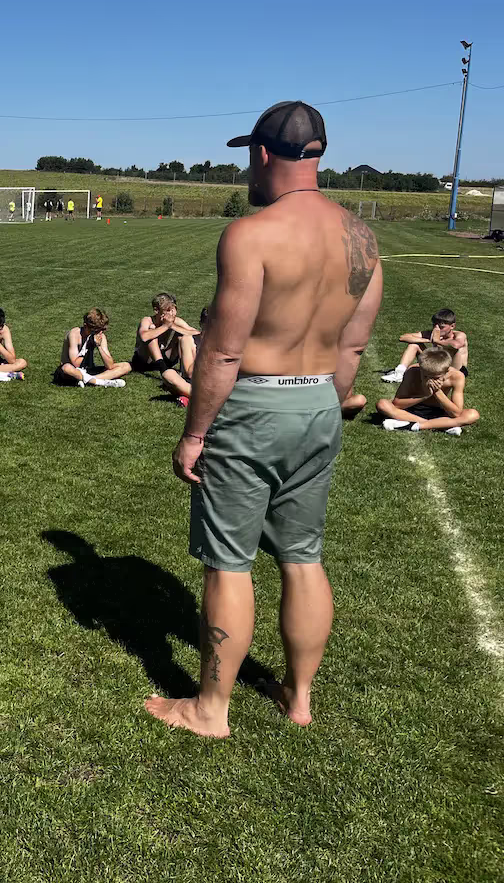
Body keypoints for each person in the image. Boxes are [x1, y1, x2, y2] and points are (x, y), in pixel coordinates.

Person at [146, 100, 384, 739]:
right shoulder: (362, 239)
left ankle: (210, 709)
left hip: (255, 402)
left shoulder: (250, 234)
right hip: (320, 401)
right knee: (303, 555)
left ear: (261, 153)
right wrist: (324, 406)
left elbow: (222, 349)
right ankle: (298, 697)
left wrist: (194, 433)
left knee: (229, 561)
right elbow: (354, 346)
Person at [376, 346, 479, 435]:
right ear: (420, 368)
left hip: (439, 411)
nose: (430, 380)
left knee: (472, 414)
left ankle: (413, 425)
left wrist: (437, 392)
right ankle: (442, 425)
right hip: (412, 409)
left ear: (446, 371)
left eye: (435, 378)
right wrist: (424, 396)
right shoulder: (412, 371)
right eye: (425, 376)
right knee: (382, 404)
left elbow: (456, 413)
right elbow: (397, 403)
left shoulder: (457, 376)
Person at [133, 292, 200, 404]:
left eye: (173, 310)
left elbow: (196, 333)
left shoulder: (174, 320)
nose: (172, 313)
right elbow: (144, 337)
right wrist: (166, 326)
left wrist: (173, 326)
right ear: (156, 310)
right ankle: (163, 370)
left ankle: (183, 375)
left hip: (164, 356)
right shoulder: (147, 320)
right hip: (144, 360)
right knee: (152, 330)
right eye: (168, 310)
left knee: (181, 336)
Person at [381, 308, 469, 383]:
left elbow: (456, 345)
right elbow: (403, 337)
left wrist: (437, 341)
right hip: (438, 364)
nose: (436, 329)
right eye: (435, 325)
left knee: (453, 349)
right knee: (414, 345)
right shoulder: (433, 333)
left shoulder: (459, 335)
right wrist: (428, 340)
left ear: (452, 326)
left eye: (441, 327)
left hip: (456, 369)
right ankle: (399, 373)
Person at [55, 308, 130, 387]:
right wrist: (89, 345)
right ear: (85, 326)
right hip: (72, 371)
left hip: (88, 370)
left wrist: (99, 346)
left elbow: (110, 365)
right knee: (67, 368)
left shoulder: (100, 336)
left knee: (126, 366)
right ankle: (101, 382)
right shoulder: (74, 334)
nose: (100, 333)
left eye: (102, 330)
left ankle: (88, 380)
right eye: (96, 330)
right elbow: (75, 364)